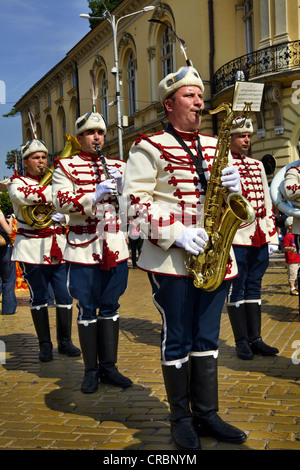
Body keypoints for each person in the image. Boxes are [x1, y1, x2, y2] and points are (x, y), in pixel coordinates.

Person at [122, 65, 247, 450]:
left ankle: (207, 413)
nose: (199, 101)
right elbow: (131, 206)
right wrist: (177, 233)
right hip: (173, 260)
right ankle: (180, 418)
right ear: (169, 104)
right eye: (189, 96)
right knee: (177, 337)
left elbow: (242, 207)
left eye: (199, 94)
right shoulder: (147, 147)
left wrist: (235, 186)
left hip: (216, 257)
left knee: (207, 336)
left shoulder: (216, 146)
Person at [52, 112, 132, 394]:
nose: (96, 137)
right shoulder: (65, 166)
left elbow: (136, 203)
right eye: (90, 132)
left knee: (110, 307)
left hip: (115, 246)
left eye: (100, 131)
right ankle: (90, 370)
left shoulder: (118, 165)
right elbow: (60, 200)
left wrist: (125, 191)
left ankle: (109, 367)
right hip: (83, 250)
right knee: (87, 307)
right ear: (80, 137)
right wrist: (93, 195)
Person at [7, 139, 80, 362]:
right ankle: (45, 345)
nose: (41, 161)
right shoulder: (16, 182)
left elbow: (70, 206)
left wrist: (64, 215)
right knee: (38, 296)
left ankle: (65, 341)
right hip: (31, 248)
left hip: (58, 246)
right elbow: (22, 196)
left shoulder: (57, 182)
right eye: (36, 157)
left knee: (65, 295)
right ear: (26, 161)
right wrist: (56, 193)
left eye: (43, 157)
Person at [226, 117, 279, 360]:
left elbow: (267, 199)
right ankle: (241, 341)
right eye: (240, 135)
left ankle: (256, 338)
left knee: (255, 285)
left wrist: (272, 233)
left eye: (248, 136)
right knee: (238, 287)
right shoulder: (223, 164)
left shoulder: (257, 165)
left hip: (258, 234)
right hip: (237, 235)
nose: (246, 140)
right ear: (230, 139)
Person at [0, 209, 17, 315]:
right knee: (8, 280)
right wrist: (10, 221)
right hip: (3, 249)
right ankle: (8, 309)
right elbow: (9, 231)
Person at [283, 216, 300, 295]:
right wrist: (290, 248)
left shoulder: (297, 235)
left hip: (298, 258)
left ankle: (297, 287)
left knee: (298, 275)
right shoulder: (287, 236)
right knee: (292, 274)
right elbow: (284, 248)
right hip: (292, 259)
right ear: (290, 226)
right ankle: (292, 288)